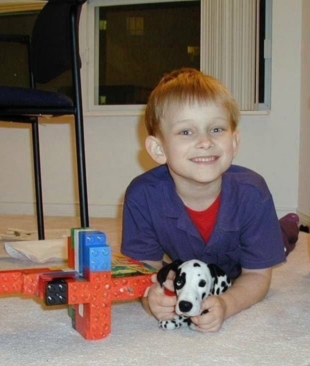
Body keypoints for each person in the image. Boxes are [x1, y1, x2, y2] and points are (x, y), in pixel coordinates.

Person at [121, 68, 298, 333]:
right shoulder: (142, 195)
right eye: (186, 132)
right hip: (191, 265)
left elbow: (258, 275)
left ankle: (289, 226)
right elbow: (145, 269)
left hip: (243, 256)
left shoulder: (253, 193)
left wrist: (227, 303)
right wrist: (150, 298)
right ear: (159, 149)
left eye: (216, 129)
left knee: (280, 241)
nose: (205, 142)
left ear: (234, 142)